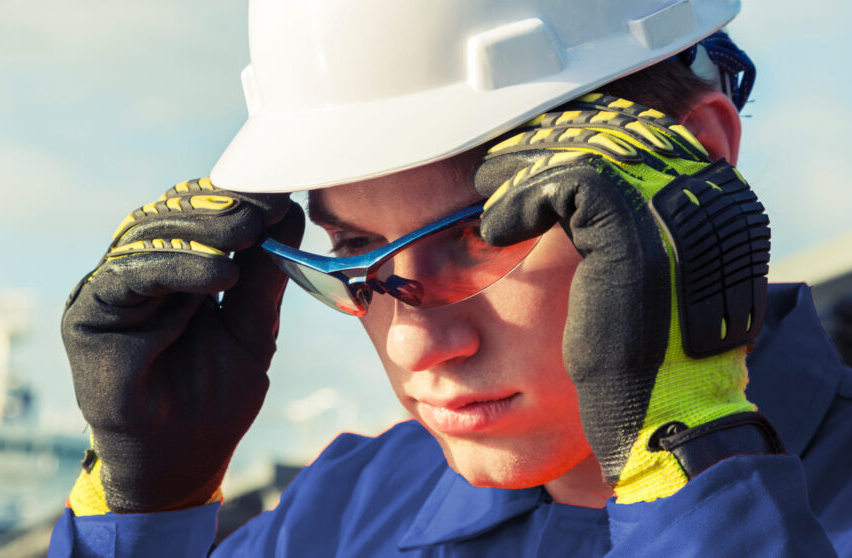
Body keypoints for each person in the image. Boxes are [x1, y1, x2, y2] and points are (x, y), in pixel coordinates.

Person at [48, 1, 852, 556]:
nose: (417, 341)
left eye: (480, 232)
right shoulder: (346, 512)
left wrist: (691, 455)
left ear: (696, 167)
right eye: (356, 246)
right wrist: (142, 517)